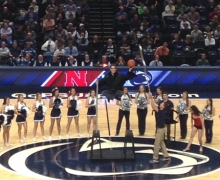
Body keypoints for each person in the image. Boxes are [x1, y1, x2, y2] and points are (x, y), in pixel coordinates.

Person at [149, 92, 170, 163]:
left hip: (161, 129)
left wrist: (151, 98)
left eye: (162, 104)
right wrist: (151, 98)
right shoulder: (162, 110)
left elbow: (153, 106)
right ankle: (166, 156)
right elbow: (154, 105)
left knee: (156, 143)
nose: (160, 103)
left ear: (163, 106)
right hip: (162, 128)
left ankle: (155, 158)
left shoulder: (161, 111)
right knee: (161, 142)